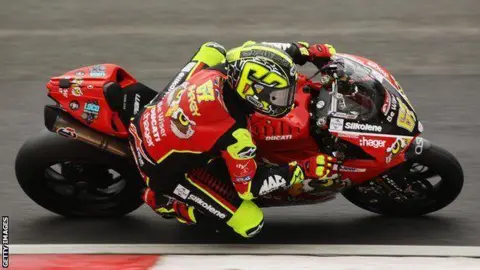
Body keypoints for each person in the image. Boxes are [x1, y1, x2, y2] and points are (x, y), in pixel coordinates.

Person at [128, 41, 340, 238]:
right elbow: (248, 189)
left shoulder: (231, 65)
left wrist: (301, 50)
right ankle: (165, 202)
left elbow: (255, 48)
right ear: (253, 92)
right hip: (156, 164)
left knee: (212, 49)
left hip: (156, 110)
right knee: (250, 223)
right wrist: (303, 169)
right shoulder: (236, 135)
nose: (287, 100)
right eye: (278, 95)